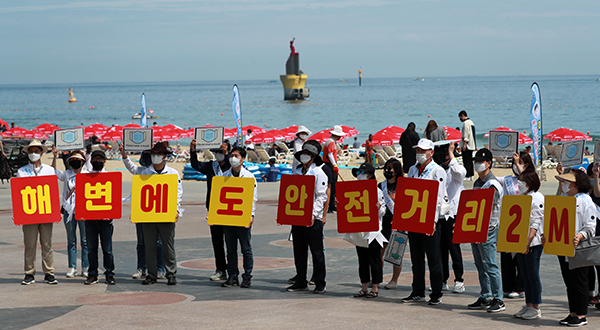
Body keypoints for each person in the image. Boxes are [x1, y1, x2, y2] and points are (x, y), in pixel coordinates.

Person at [401, 138, 447, 305]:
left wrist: (433, 221)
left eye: (423, 150)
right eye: (418, 150)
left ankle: (436, 293)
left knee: (434, 258)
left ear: (431, 152)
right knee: (416, 258)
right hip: (414, 218)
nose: (419, 153)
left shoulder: (437, 171)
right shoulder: (413, 169)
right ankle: (417, 291)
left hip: (430, 220)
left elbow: (438, 198)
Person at [555, 169, 598, 326]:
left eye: (568, 182)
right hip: (562, 246)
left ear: (577, 184)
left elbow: (590, 226)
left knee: (579, 281)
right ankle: (573, 312)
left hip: (577, 247)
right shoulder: (566, 199)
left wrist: (580, 236)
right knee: (569, 282)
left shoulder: (586, 200)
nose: (565, 185)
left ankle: (581, 315)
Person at [286, 140, 328, 294]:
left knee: (316, 251)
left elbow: (321, 197)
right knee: (299, 250)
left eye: (308, 154)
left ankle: (319, 281)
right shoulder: (296, 172)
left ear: (314, 157)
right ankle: (301, 280)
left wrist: (314, 214)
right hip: (297, 217)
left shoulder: (318, 173)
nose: (304, 156)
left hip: (312, 219)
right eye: (303, 153)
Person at [119, 145, 166, 280]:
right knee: (141, 242)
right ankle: (141, 268)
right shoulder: (140, 172)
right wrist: (123, 154)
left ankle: (160, 268)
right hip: (141, 211)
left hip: (158, 211)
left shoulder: (162, 172)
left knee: (158, 242)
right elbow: (130, 166)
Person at [468, 148, 505, 313]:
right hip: (475, 229)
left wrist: (480, 231)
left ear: (489, 163)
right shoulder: (478, 182)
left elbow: (488, 210)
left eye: (481, 161)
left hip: (488, 230)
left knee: (490, 265)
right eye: (476, 161)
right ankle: (485, 296)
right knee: (479, 264)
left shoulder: (492, 184)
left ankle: (498, 299)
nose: (477, 164)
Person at [141, 142, 183, 286]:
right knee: (150, 245)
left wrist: (176, 210)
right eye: (153, 154)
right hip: (149, 214)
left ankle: (171, 273)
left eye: (158, 154)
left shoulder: (173, 173)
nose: (155, 157)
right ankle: (151, 274)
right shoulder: (145, 173)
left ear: (164, 156)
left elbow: (178, 193)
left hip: (166, 214)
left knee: (168, 245)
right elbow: (139, 194)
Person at [189, 140, 231, 281]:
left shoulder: (231, 167)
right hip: (214, 209)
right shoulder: (210, 166)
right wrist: (193, 150)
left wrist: (227, 154)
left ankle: (232, 270)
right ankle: (220, 269)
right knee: (217, 241)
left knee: (231, 242)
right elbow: (195, 165)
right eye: (217, 152)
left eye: (221, 152)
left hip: (231, 209)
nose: (219, 155)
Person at [18, 140, 58, 285]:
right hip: (29, 213)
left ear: (42, 153)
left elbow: (52, 191)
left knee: (47, 244)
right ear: (27, 153)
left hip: (46, 212)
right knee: (30, 244)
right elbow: (19, 193)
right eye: (31, 151)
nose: (33, 154)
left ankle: (49, 273)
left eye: (36, 151)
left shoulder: (49, 170)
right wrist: (18, 213)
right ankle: (29, 273)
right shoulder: (21, 171)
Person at [498, 152, 533, 299]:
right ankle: (507, 286)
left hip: (524, 221)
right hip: (508, 221)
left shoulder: (530, 179)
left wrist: (520, 166)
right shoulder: (507, 180)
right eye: (514, 162)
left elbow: (527, 185)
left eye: (519, 162)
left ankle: (520, 287)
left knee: (520, 258)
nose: (515, 164)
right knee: (506, 257)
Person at [220, 147, 257, 288]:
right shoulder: (224, 176)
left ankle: (247, 276)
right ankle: (232, 276)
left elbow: (253, 198)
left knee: (245, 248)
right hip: (228, 217)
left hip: (243, 217)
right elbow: (219, 196)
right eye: (231, 155)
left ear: (242, 159)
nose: (232, 158)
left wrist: (251, 215)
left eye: (236, 156)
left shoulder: (249, 177)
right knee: (230, 248)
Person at [350, 163, 387, 299]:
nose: (360, 175)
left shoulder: (377, 191)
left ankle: (375, 288)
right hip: (360, 229)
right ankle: (364, 287)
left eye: (362, 172)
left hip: (373, 231)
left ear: (370, 174)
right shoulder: (355, 189)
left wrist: (378, 207)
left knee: (375, 259)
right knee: (362, 260)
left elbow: (383, 211)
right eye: (358, 173)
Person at [51, 149, 89, 278]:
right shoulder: (67, 174)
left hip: (83, 210)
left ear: (83, 162)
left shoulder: (87, 174)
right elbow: (54, 172)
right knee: (71, 240)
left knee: (85, 240)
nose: (75, 162)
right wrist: (55, 157)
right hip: (68, 210)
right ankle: (72, 267)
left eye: (78, 160)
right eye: (73, 160)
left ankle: (85, 266)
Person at [513, 169, 544, 320]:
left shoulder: (537, 197)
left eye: (522, 181)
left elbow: (536, 221)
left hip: (533, 242)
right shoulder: (524, 196)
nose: (519, 184)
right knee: (525, 274)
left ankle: (536, 307)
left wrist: (528, 241)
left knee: (533, 275)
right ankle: (529, 304)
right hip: (521, 241)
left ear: (530, 183)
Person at [82, 150, 116, 285]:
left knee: (107, 249)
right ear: (90, 161)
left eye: (100, 159)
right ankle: (92, 274)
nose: (98, 161)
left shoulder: (110, 177)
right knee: (91, 249)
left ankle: (109, 274)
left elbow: (114, 197)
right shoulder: (85, 177)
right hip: (90, 219)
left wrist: (112, 213)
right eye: (95, 159)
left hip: (106, 220)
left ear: (104, 162)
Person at [436, 142, 466, 293]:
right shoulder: (438, 170)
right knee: (441, 250)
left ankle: (459, 279)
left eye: (447, 154)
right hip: (440, 214)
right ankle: (443, 280)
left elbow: (460, 173)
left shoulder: (457, 169)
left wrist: (452, 155)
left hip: (453, 214)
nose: (445, 157)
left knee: (454, 248)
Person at [378, 158, 404, 290]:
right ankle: (377, 278)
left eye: (390, 168)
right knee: (379, 252)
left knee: (396, 253)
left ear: (397, 170)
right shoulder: (380, 185)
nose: (387, 171)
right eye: (386, 168)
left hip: (399, 222)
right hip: (384, 222)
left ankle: (394, 280)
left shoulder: (404, 185)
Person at [323, 125, 344, 213]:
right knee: (333, 186)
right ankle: (331, 206)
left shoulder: (331, 141)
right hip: (330, 164)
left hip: (329, 164)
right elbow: (330, 154)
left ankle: (330, 205)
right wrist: (335, 165)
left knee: (330, 185)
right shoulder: (331, 142)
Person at [458, 110, 476, 179]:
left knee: (466, 161)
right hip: (472, 144)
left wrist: (464, 144)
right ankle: (471, 175)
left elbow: (465, 134)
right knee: (470, 161)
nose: (460, 119)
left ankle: (467, 175)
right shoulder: (471, 122)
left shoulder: (466, 123)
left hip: (467, 145)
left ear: (463, 116)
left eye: (460, 117)